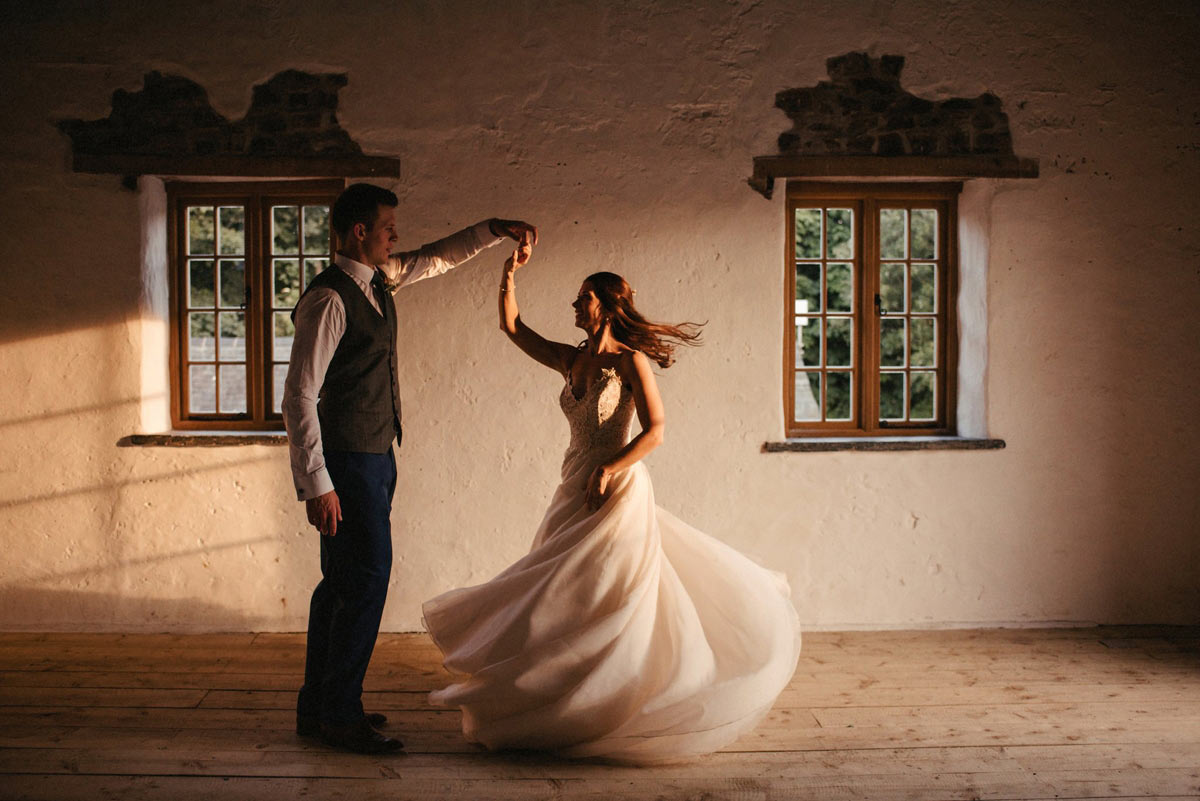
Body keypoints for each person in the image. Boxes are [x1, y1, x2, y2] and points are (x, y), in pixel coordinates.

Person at [422, 242, 802, 764]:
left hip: (615, 486)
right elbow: (513, 328)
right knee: (557, 590)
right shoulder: (571, 358)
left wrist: (609, 467)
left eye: (582, 299)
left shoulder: (630, 361)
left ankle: (611, 694)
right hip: (573, 482)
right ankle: (558, 689)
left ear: (604, 303)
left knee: (606, 593)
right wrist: (508, 275)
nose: (574, 307)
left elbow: (658, 431)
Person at [282, 182, 536, 755]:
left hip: (375, 454)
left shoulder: (378, 280)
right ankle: (338, 714)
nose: (396, 235)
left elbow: (436, 259)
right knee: (365, 582)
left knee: (341, 583)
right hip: (347, 462)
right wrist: (316, 483)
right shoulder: (329, 299)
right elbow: (299, 395)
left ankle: (321, 705)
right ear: (358, 233)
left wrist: (493, 227)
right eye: (388, 227)